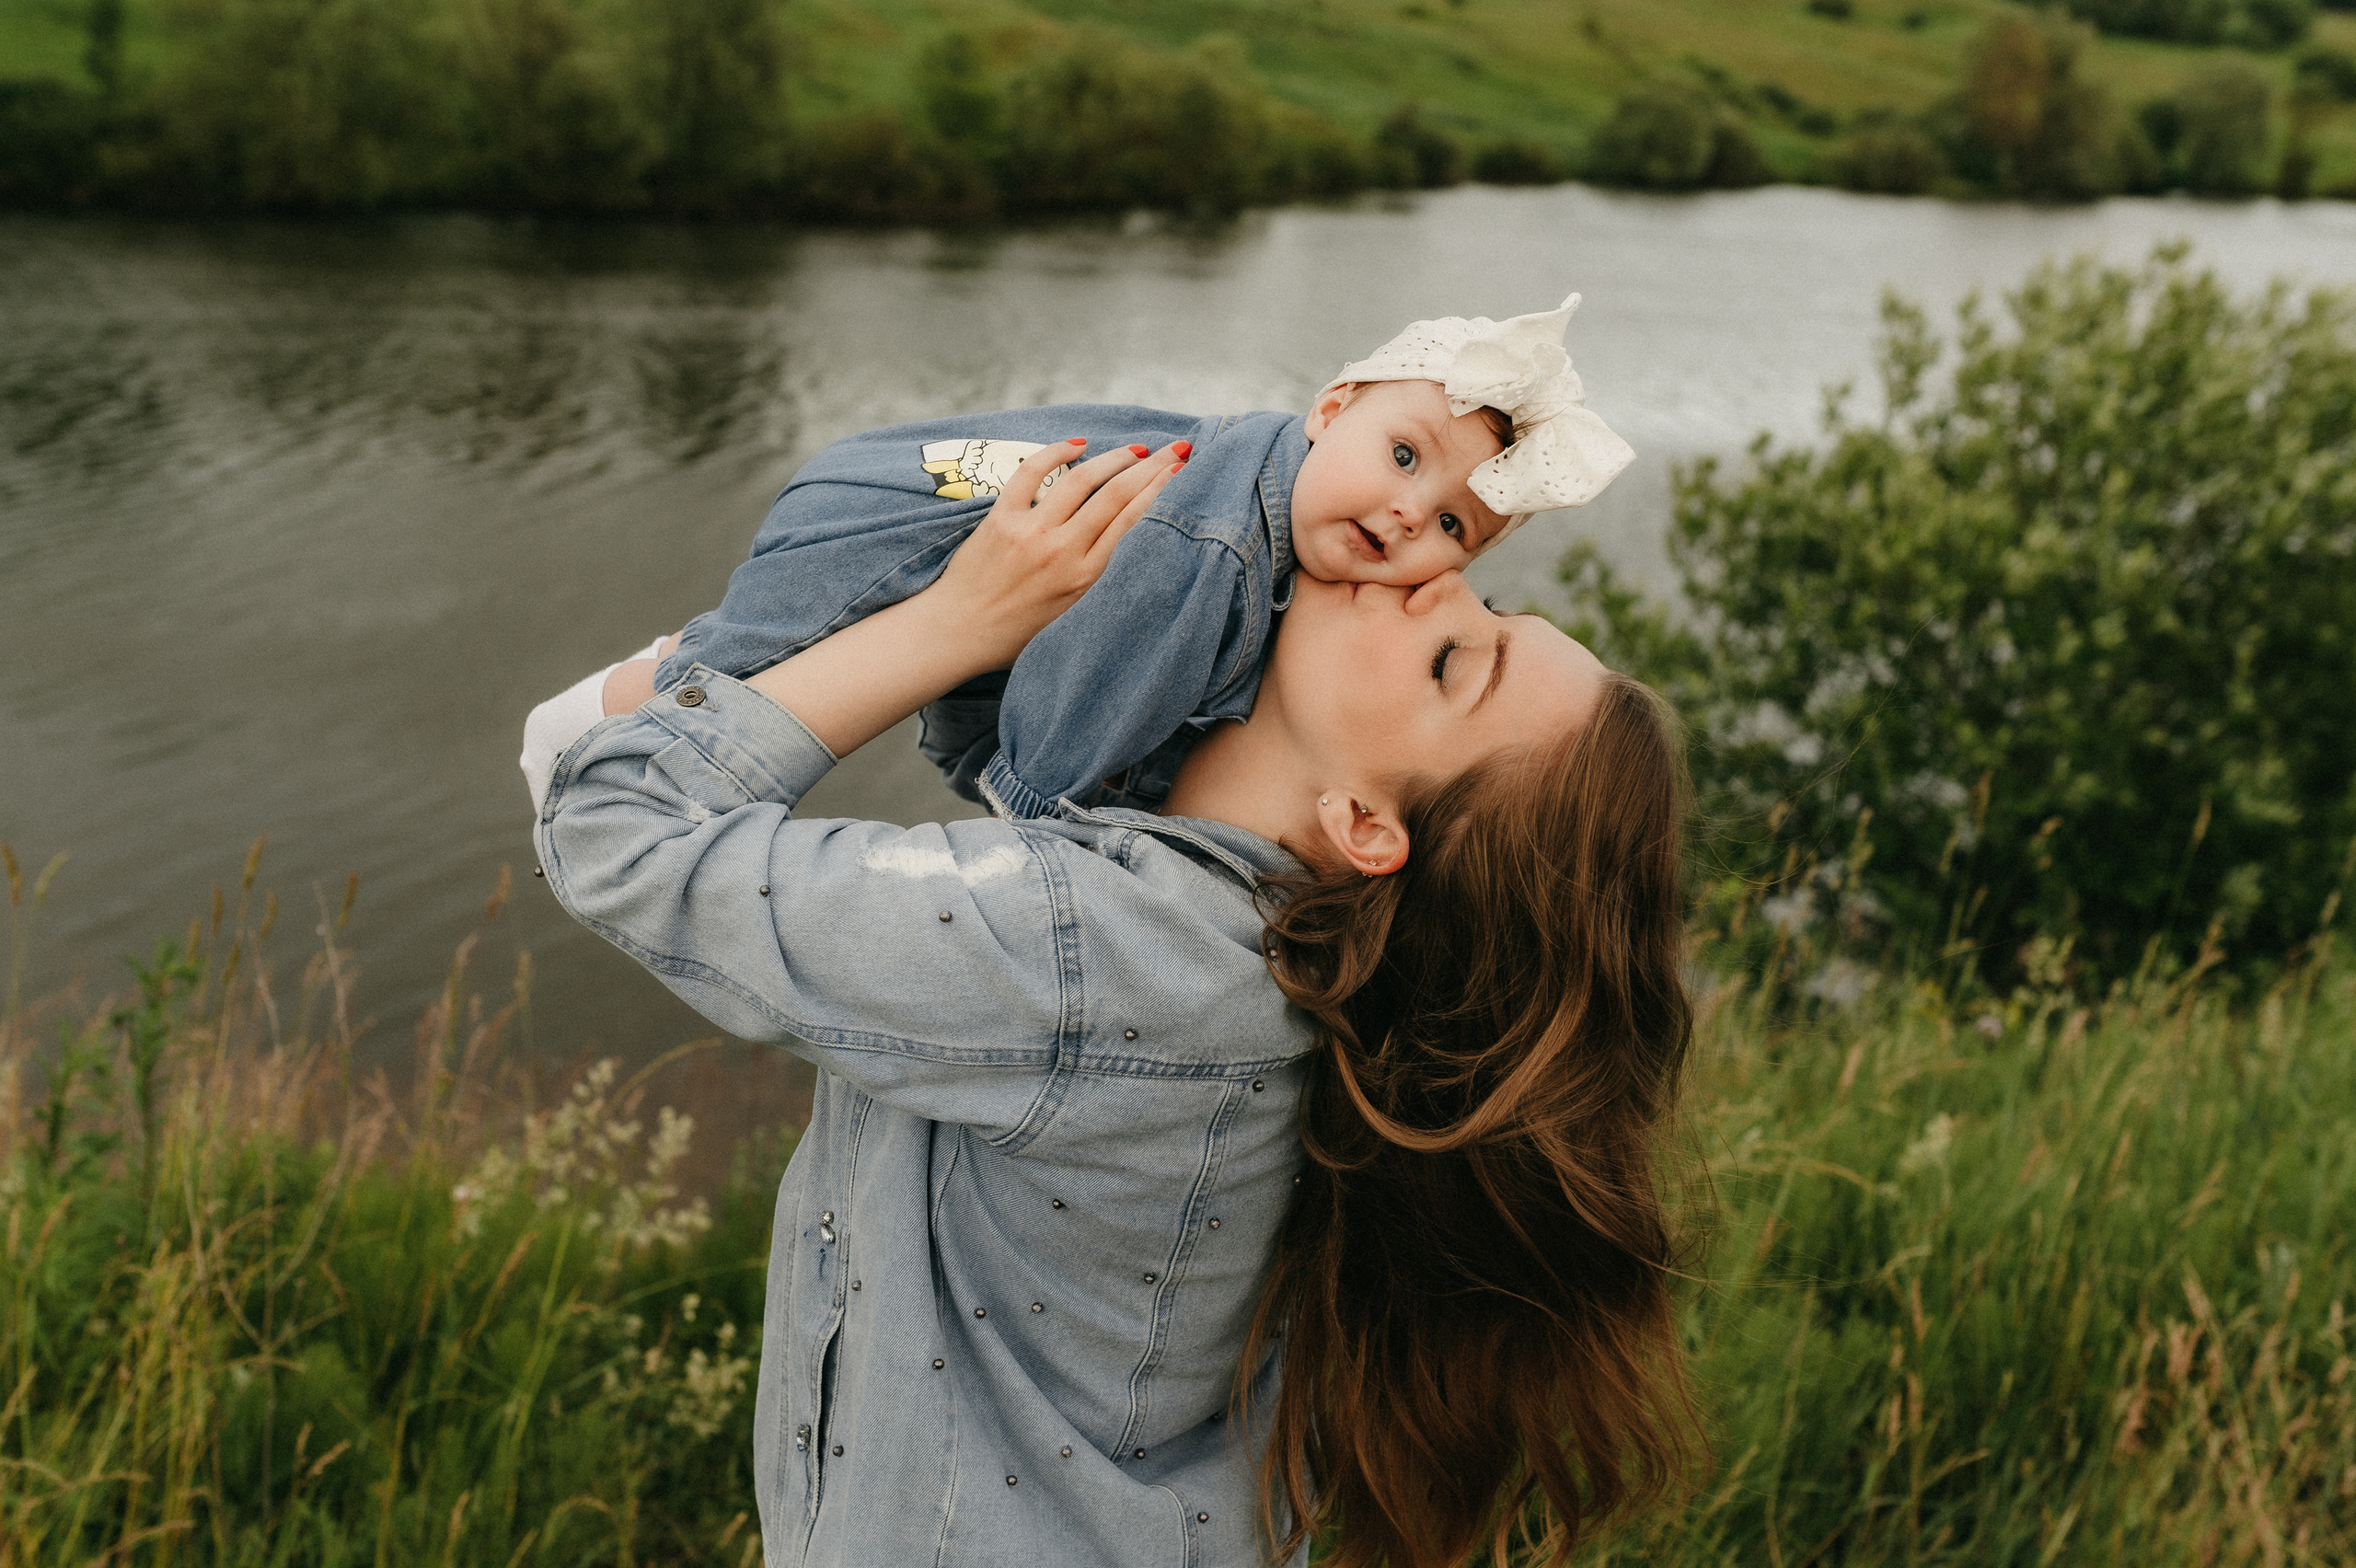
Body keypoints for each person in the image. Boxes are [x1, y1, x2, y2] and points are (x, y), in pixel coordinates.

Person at [528, 442, 1703, 1567]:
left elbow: (617, 831)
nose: (1435, 579)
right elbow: (1020, 742)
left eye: (1453, 662)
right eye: (1489, 603)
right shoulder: (1268, 944)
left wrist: (951, 623)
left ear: (1363, 824)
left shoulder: (1106, 954)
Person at [519, 293, 1634, 820]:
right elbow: (1061, 720)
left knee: (816, 660)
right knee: (746, 668)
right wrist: (1039, 810)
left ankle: (669, 674)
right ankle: (597, 719)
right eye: (1402, 455)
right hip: (892, 519)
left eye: (1453, 528)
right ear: (1331, 407)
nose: (1404, 514)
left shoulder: (1266, 490)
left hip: (924, 496)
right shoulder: (1217, 548)